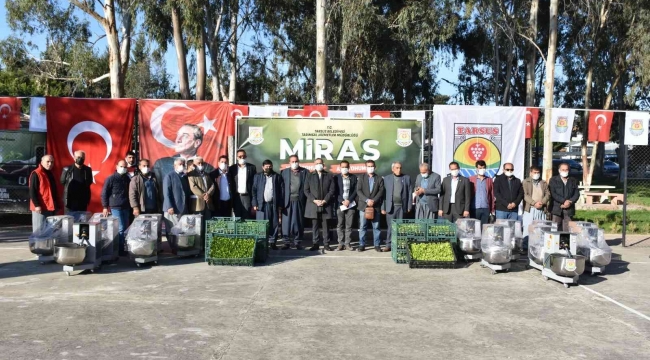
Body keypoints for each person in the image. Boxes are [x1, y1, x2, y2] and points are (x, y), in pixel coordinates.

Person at [101, 160, 132, 256]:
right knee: (121, 228)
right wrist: (105, 207)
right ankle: (120, 249)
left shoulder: (127, 178)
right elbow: (104, 193)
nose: (123, 168)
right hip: (115, 207)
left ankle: (123, 247)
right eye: (121, 166)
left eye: (125, 167)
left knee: (125, 228)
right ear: (117, 166)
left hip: (126, 206)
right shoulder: (111, 178)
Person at [304, 158, 335, 252]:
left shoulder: (329, 175)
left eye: (320, 163)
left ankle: (326, 244)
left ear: (323, 164)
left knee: (326, 225)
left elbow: (332, 190)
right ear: (314, 165)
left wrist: (325, 200)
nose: (319, 165)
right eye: (317, 163)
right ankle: (315, 243)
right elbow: (306, 190)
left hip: (326, 204)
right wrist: (314, 200)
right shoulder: (309, 175)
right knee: (315, 225)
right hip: (314, 204)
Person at [252, 160, 284, 249]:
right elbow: (254, 190)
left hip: (273, 204)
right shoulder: (257, 176)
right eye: (266, 166)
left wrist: (280, 204)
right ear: (263, 167)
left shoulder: (277, 176)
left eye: (270, 166)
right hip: (261, 205)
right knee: (261, 224)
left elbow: (281, 191)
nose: (268, 168)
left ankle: (273, 242)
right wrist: (255, 203)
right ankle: (262, 243)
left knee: (274, 224)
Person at [382, 162, 413, 252]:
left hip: (402, 207)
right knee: (390, 227)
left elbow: (409, 193)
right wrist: (383, 208)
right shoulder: (387, 178)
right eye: (397, 168)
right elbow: (383, 195)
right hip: (390, 207)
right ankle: (388, 245)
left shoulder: (406, 178)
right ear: (393, 169)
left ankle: (400, 245)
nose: (399, 169)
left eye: (400, 168)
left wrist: (409, 206)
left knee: (401, 227)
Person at [163, 158, 192, 254]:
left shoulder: (184, 177)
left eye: (183, 164)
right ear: (175, 166)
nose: (182, 166)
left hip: (183, 208)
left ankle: (180, 246)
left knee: (181, 229)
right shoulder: (169, 176)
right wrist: (169, 206)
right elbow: (167, 193)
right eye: (180, 164)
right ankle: (173, 247)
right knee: (172, 229)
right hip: (172, 208)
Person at [281, 155, 309, 250]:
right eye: (292, 161)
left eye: (296, 161)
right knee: (286, 223)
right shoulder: (284, 172)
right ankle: (286, 242)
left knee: (298, 222)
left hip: (299, 201)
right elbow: (281, 188)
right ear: (289, 162)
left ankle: (297, 242)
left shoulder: (305, 172)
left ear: (299, 161)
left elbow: (307, 187)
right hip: (287, 201)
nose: (294, 163)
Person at [357, 160, 384, 252]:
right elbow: (359, 190)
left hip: (375, 206)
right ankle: (362, 244)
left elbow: (381, 191)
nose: (370, 168)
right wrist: (367, 200)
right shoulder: (361, 177)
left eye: (372, 166)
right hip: (363, 206)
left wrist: (374, 200)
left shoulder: (379, 178)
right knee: (363, 226)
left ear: (375, 167)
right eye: (368, 166)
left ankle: (377, 245)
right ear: (366, 167)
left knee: (376, 227)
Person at [29, 155, 61, 232]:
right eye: (48, 162)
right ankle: (37, 244)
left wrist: (57, 204)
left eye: (52, 162)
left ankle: (46, 244)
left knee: (49, 231)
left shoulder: (51, 173)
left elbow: (54, 190)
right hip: (41, 208)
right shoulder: (36, 173)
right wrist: (37, 205)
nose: (50, 164)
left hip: (50, 207)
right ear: (42, 162)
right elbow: (32, 191)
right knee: (39, 231)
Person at [60, 150, 93, 220]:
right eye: (78, 157)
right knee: (69, 223)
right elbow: (62, 181)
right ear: (74, 158)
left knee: (82, 223)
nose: (80, 159)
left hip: (82, 202)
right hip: (70, 203)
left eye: (82, 157)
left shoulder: (88, 170)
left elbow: (89, 182)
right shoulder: (67, 169)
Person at [549, 163, 580, 231]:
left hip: (569, 208)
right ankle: (556, 241)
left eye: (566, 170)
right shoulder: (553, 180)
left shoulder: (573, 180)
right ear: (559, 170)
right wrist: (563, 201)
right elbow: (553, 193)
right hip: (557, 208)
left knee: (568, 228)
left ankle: (566, 241)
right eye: (563, 170)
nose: (565, 171)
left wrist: (570, 202)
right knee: (555, 228)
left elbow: (576, 193)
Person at [334, 160, 357, 251]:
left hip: (351, 205)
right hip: (340, 205)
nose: (344, 168)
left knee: (349, 225)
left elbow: (356, 191)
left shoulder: (354, 177)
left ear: (349, 167)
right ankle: (340, 243)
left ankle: (348, 243)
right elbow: (334, 191)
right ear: (340, 168)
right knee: (340, 224)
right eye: (342, 167)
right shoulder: (336, 178)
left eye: (346, 167)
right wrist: (342, 201)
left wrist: (349, 200)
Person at [522, 166, 551, 238]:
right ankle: (526, 246)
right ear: (530, 173)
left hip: (541, 209)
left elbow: (548, 194)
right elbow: (525, 195)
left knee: (540, 229)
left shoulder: (543, 182)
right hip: (530, 209)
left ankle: (539, 245)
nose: (536, 174)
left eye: (538, 173)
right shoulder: (525, 182)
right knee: (528, 228)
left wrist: (542, 202)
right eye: (535, 172)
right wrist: (534, 203)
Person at [230, 149, 256, 219]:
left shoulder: (252, 168)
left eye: (243, 156)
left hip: (247, 197)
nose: (242, 158)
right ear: (237, 157)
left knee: (247, 216)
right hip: (236, 197)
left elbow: (254, 184)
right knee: (237, 217)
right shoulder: (232, 168)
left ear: (246, 156)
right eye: (240, 156)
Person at [469, 160, 494, 227]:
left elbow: (491, 195)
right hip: (474, 208)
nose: (482, 169)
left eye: (483, 168)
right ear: (476, 169)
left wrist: (492, 209)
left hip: (486, 208)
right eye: (480, 168)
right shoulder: (471, 179)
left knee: (484, 228)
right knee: (474, 228)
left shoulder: (489, 180)